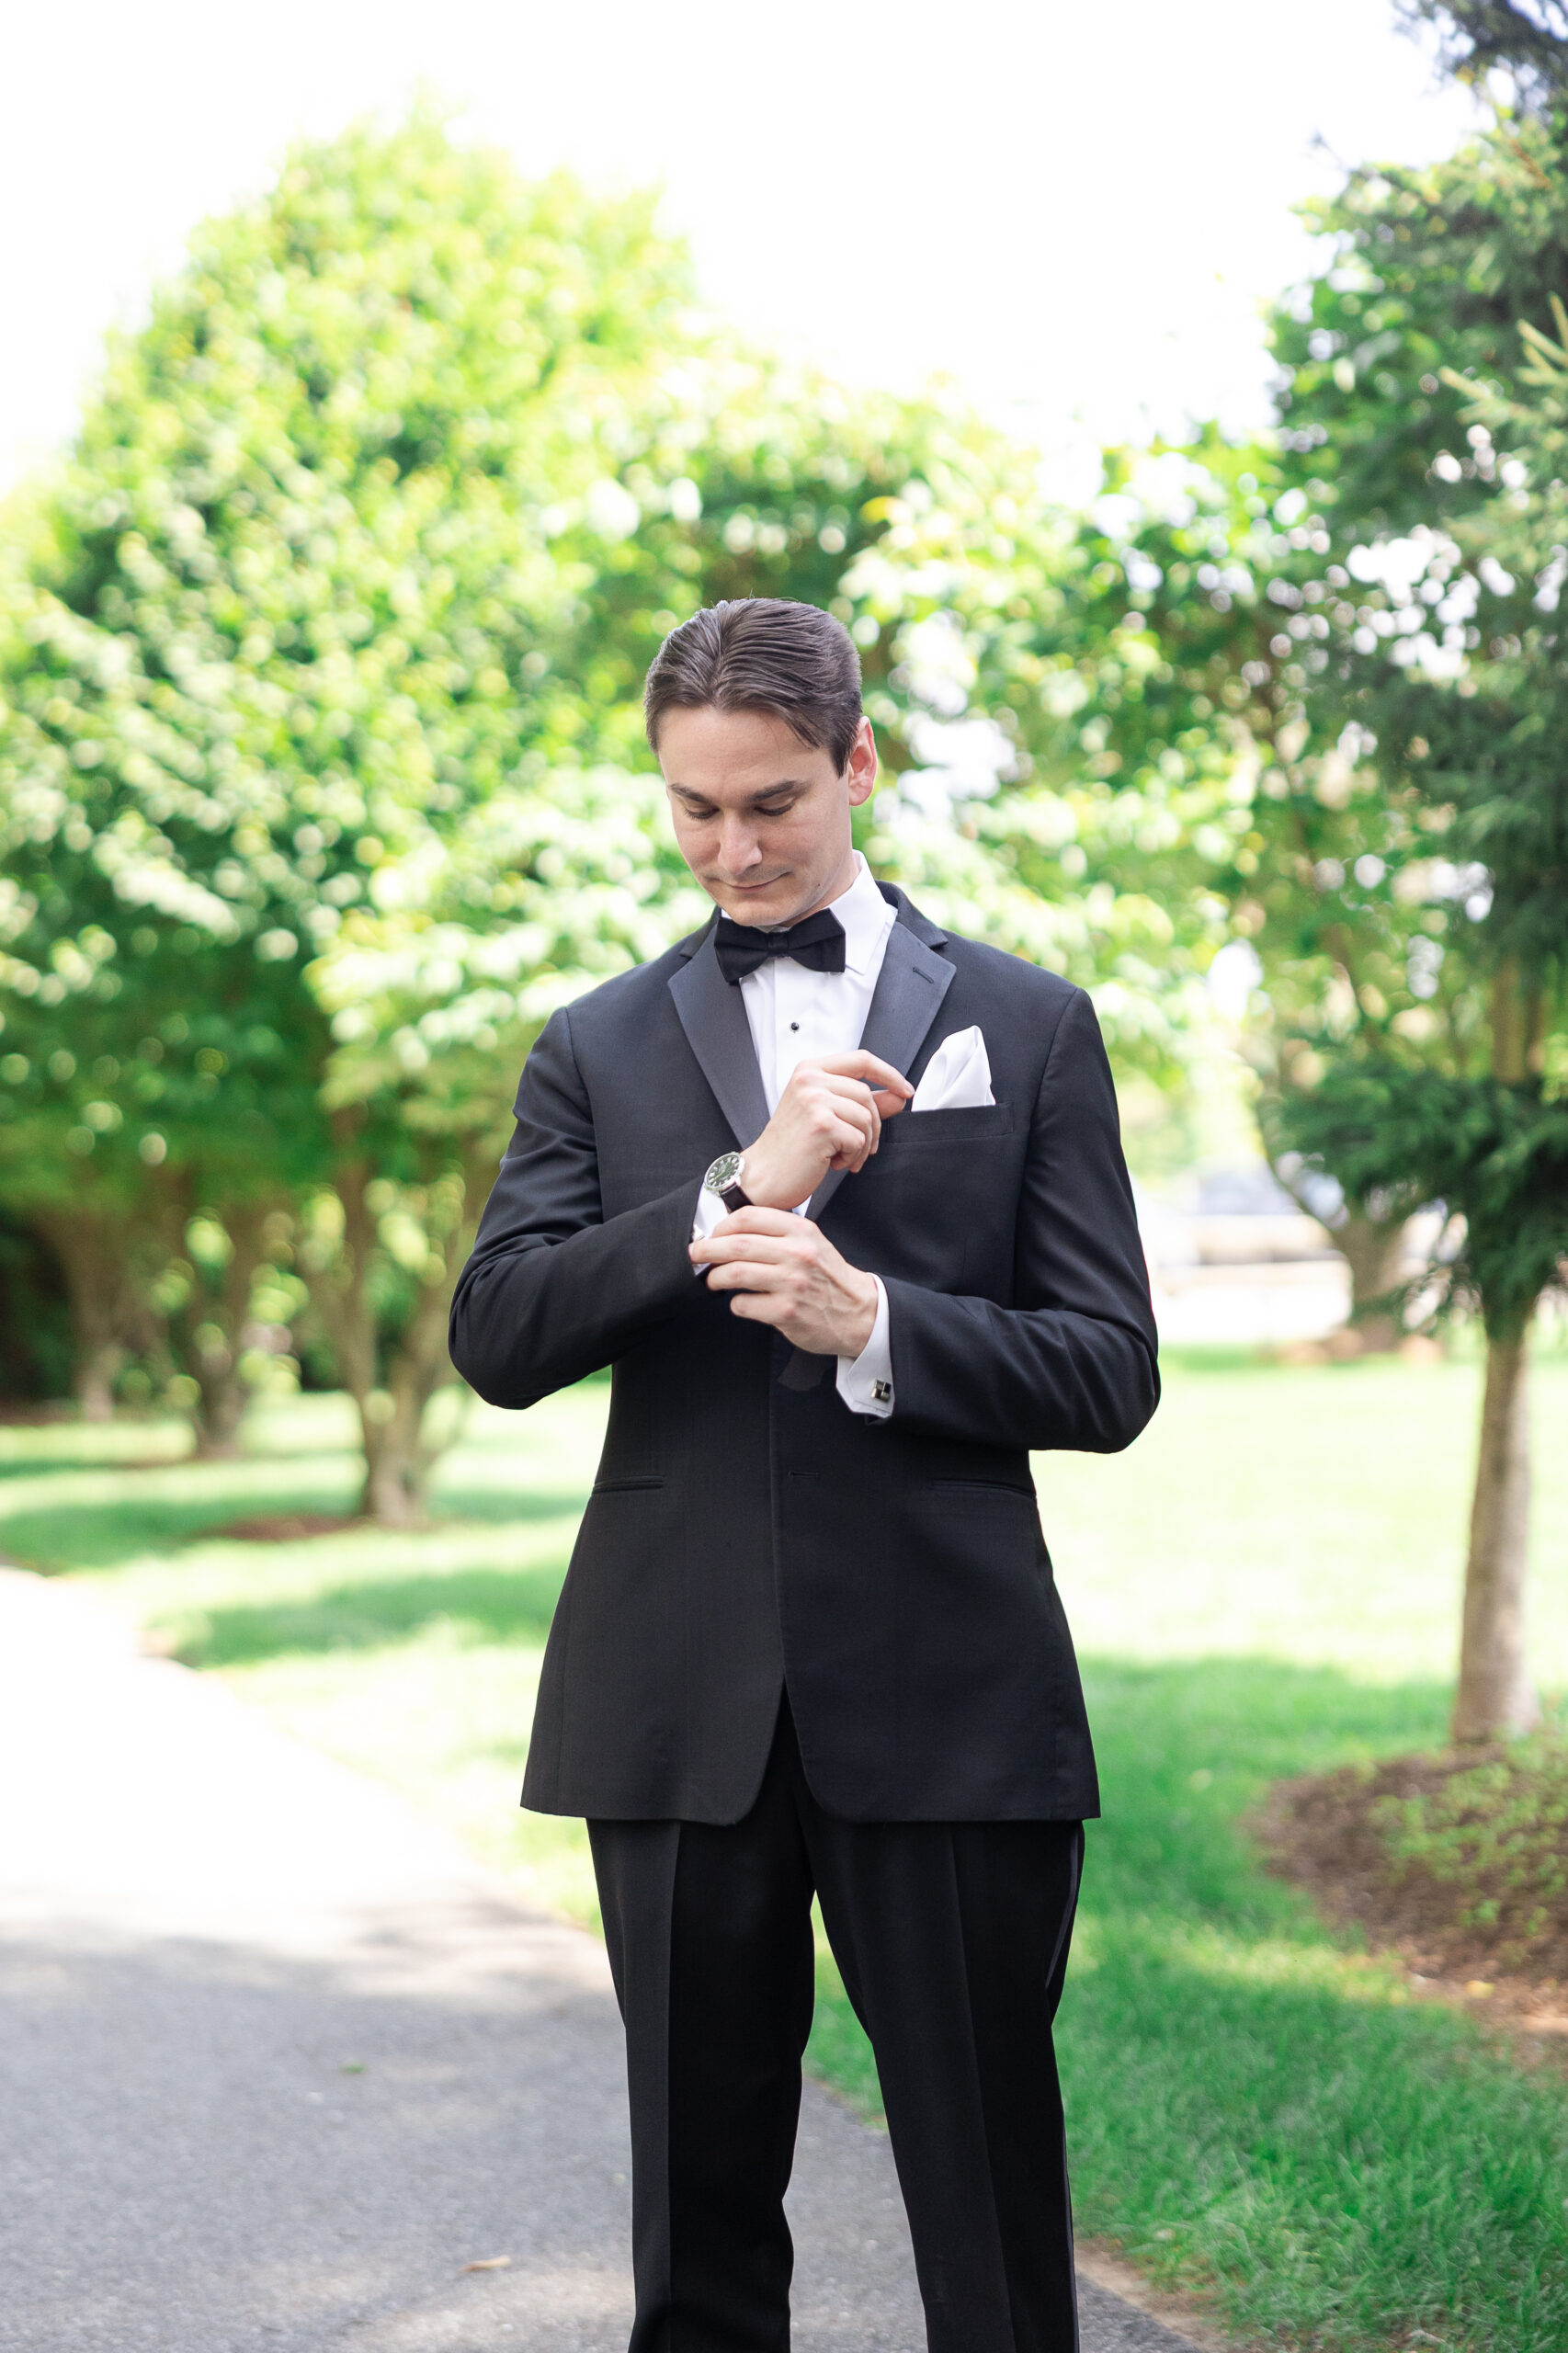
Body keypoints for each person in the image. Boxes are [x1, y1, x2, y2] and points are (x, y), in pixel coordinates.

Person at [449, 597, 1159, 2353]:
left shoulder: (1029, 1022)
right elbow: (500, 1336)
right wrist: (724, 1199)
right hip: (677, 1708)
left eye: (769, 802)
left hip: (946, 1686)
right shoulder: (592, 1046)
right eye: (691, 809)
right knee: (694, 2238)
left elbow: (1110, 1370)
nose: (731, 849)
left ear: (857, 766)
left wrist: (874, 1323)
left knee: (990, 2216)